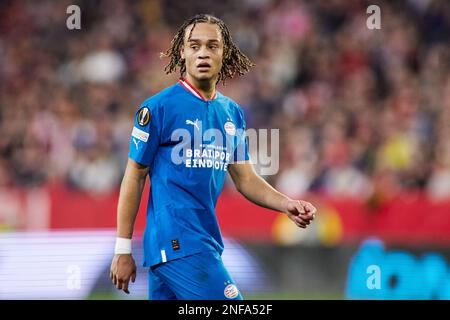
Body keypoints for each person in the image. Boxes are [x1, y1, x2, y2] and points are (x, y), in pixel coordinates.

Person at [109, 14, 317, 300]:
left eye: (212, 45)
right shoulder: (158, 108)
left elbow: (245, 178)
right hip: (178, 243)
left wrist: (286, 203)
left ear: (225, 52)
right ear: (182, 52)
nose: (203, 52)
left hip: (202, 241)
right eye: (194, 46)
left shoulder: (232, 113)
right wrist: (122, 248)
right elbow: (134, 175)